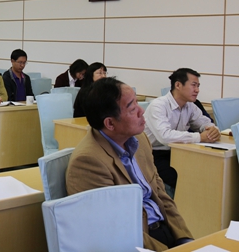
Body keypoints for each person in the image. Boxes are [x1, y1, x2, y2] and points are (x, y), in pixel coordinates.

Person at [66, 77, 193, 251]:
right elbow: (116, 229)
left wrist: (185, 238)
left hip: (162, 228)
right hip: (136, 241)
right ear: (110, 123)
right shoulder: (88, 162)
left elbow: (160, 193)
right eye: (132, 108)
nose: (142, 111)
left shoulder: (140, 139)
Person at [143, 68, 220, 190]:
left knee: (204, 171)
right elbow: (165, 137)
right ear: (178, 85)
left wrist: (212, 129)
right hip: (152, 155)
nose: (197, 90)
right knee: (183, 178)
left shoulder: (190, 106)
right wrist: (199, 137)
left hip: (177, 151)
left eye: (198, 86)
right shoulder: (158, 106)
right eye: (193, 85)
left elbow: (203, 122)